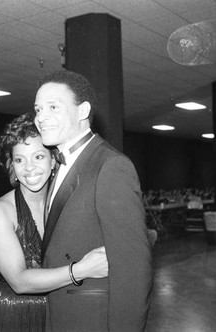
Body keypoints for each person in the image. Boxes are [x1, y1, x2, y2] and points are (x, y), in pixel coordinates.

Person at [34, 69, 153, 332]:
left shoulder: (111, 166)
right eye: (38, 109)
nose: (41, 117)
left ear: (82, 110)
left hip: (91, 317)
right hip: (61, 311)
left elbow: (133, 270)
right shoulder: (60, 163)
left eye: (53, 107)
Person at [0, 112, 109, 332]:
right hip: (15, 316)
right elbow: (19, 281)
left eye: (38, 157)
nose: (29, 168)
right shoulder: (0, 211)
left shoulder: (70, 204)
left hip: (60, 312)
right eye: (20, 159)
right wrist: (82, 269)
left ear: (53, 161)